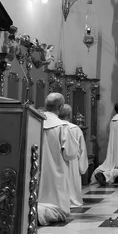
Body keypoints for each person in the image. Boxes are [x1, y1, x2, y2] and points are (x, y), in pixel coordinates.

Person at [38, 93, 79, 226]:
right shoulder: (62, 127)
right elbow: (70, 154)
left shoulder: (35, 123)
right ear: (61, 107)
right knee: (58, 208)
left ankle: (36, 211)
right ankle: (42, 214)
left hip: (35, 171)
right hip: (56, 172)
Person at [91, 102, 118, 185]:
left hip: (113, 148)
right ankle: (104, 175)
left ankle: (97, 174)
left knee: (109, 164)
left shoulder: (113, 120)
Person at [58, 103, 89, 207]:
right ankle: (73, 200)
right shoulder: (75, 128)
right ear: (69, 115)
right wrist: (82, 167)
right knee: (72, 183)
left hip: (57, 161)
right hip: (72, 161)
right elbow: (82, 149)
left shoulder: (54, 126)